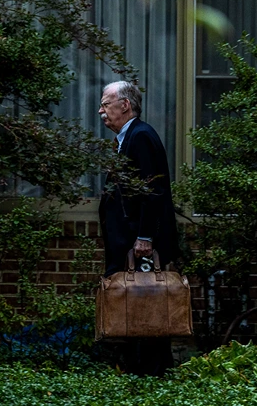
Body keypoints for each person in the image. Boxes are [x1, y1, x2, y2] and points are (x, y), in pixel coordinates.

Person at [97, 80, 178, 375]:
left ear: (125, 105)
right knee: (134, 302)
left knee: (145, 303)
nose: (101, 111)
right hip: (129, 239)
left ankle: (150, 372)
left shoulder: (141, 136)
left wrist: (144, 236)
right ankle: (136, 366)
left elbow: (152, 192)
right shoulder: (127, 138)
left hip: (139, 242)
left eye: (106, 104)